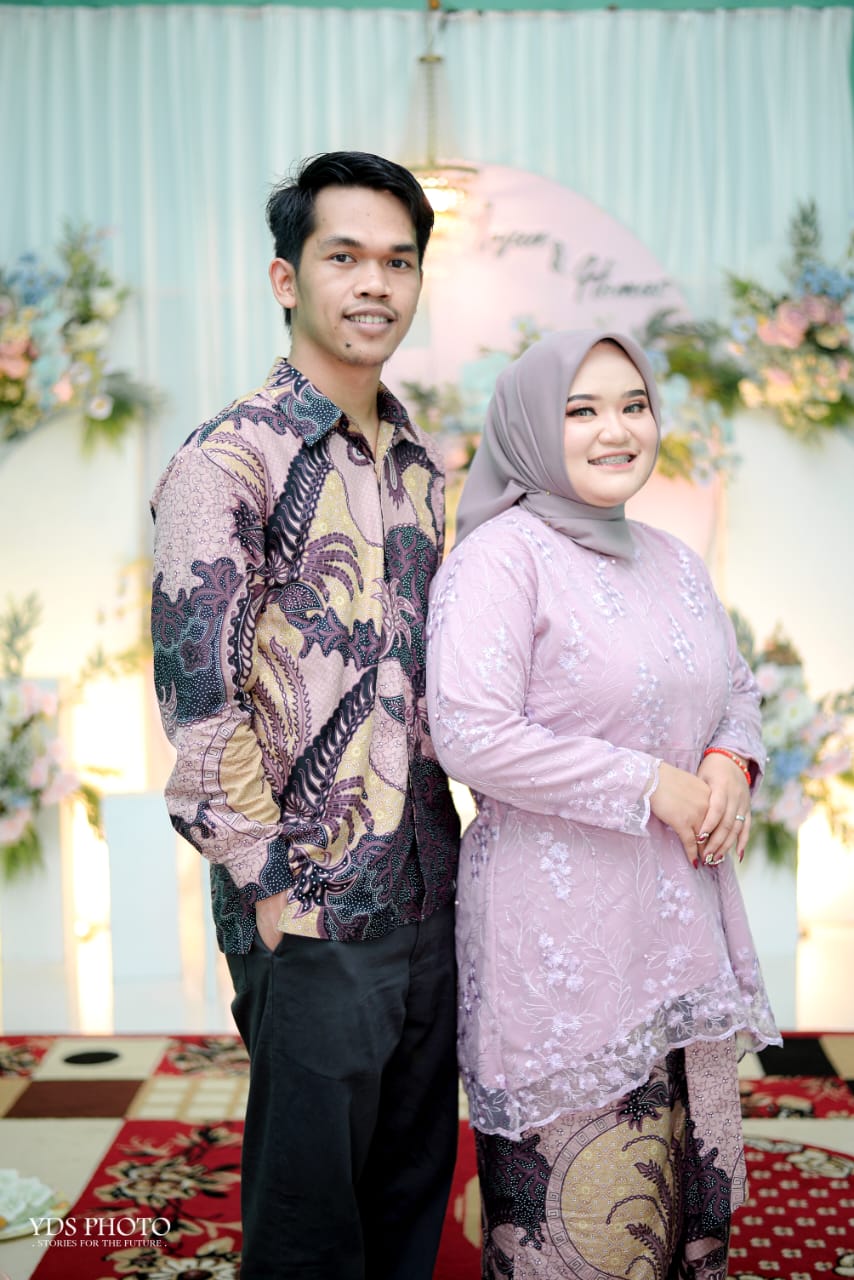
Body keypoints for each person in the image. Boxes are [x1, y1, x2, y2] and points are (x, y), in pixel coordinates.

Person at [150, 151, 461, 1280]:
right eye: (345, 257)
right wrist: (271, 885)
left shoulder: (422, 463)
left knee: (413, 1187)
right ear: (287, 278)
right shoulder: (228, 459)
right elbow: (200, 701)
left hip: (429, 885)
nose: (374, 283)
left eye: (398, 261)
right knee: (309, 1217)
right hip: (311, 899)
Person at [425, 330, 781, 1278]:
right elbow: (470, 733)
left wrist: (727, 762)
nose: (616, 430)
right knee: (584, 1235)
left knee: (675, 1222)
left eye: (633, 405)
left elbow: (736, 690)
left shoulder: (674, 559)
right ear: (532, 429)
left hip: (679, 928)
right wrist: (650, 784)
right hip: (563, 945)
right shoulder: (501, 561)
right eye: (580, 410)